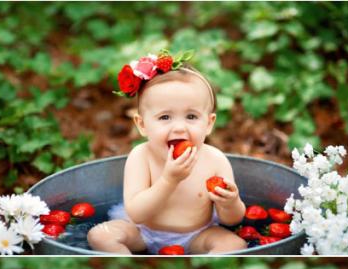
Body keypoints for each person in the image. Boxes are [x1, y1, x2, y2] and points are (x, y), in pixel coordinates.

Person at [88, 50, 247, 254]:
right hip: (143, 232)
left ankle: (201, 268)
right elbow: (136, 214)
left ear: (209, 123)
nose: (179, 128)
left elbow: (232, 220)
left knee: (235, 244)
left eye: (191, 116)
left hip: (198, 234)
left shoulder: (214, 159)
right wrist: (168, 180)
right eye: (165, 117)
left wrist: (230, 203)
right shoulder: (141, 157)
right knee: (100, 234)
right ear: (142, 124)